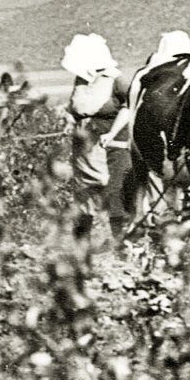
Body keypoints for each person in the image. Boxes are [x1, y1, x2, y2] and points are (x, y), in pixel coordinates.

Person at [61, 33, 132, 237]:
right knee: (84, 191)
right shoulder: (82, 80)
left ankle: (120, 242)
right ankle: (81, 241)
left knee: (114, 189)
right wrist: (69, 122)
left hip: (112, 143)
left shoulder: (117, 80)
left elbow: (128, 108)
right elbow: (74, 108)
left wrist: (112, 132)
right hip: (84, 145)